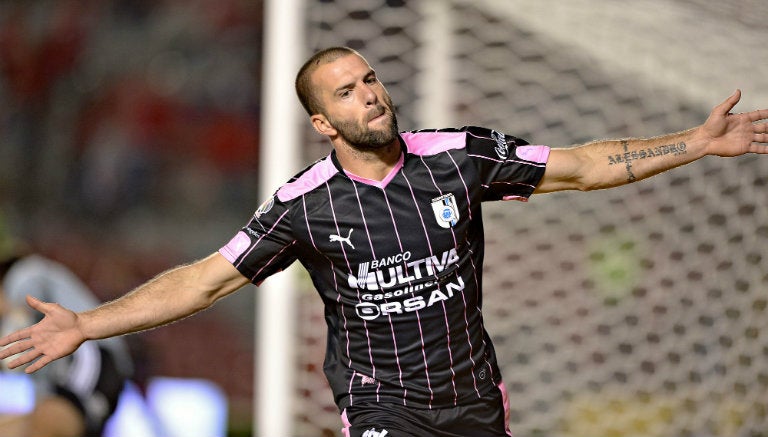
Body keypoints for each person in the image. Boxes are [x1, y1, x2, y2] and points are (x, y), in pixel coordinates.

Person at [1, 46, 767, 437]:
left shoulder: (458, 156)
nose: (369, 92)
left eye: (369, 79)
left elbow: (579, 167)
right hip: (382, 407)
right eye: (346, 91)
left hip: (473, 402)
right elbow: (204, 280)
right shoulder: (304, 205)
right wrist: (86, 324)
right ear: (323, 124)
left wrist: (693, 145)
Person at [0, 237, 133, 437]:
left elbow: (17, 326)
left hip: (90, 356)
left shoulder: (24, 273)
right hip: (78, 372)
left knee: (48, 422)